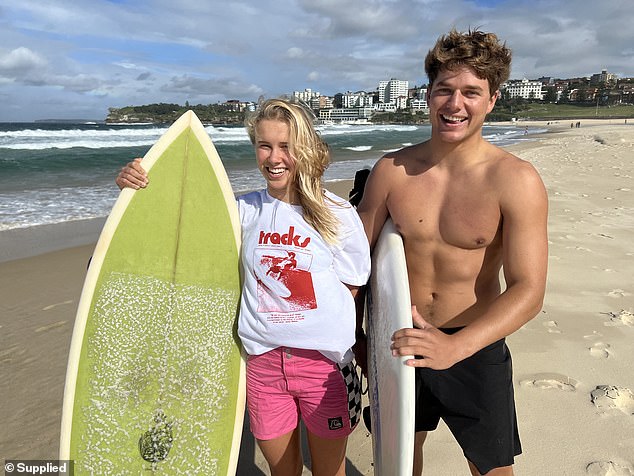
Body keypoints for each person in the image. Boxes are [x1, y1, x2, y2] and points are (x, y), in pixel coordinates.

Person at [116, 98, 371, 476]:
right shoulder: (242, 211)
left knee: (328, 472)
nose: (274, 157)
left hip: (325, 367)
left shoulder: (338, 214)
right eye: (264, 145)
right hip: (264, 366)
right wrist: (137, 185)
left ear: (306, 147)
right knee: (284, 471)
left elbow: (353, 285)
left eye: (286, 146)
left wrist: (311, 325)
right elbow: (178, 224)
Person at [355, 29, 548, 475]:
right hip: (397, 337)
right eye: (444, 89)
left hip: (474, 342)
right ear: (428, 94)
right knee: (400, 456)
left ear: (492, 100)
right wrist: (358, 337)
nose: (454, 104)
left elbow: (529, 290)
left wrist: (455, 347)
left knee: (492, 467)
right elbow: (355, 262)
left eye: (470, 92)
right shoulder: (392, 171)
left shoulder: (515, 180)